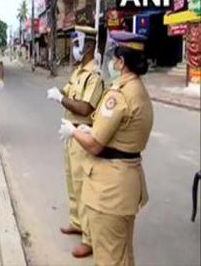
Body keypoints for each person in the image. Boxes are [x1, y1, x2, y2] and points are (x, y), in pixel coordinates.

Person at [58, 31, 154, 266]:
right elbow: (119, 134)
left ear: (121, 62)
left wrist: (75, 131)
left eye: (114, 57)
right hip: (126, 181)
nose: (110, 61)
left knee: (109, 257)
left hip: (111, 190)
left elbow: (95, 144)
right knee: (122, 255)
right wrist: (92, 131)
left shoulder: (118, 95)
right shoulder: (138, 90)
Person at [47, 26, 104, 258]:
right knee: (72, 182)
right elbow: (68, 92)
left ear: (88, 46)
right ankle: (76, 222)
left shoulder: (94, 76)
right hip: (71, 133)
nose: (73, 48)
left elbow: (84, 107)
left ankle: (89, 239)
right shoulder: (79, 72)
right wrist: (59, 93)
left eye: (77, 44)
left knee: (84, 188)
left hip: (83, 134)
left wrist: (62, 98)